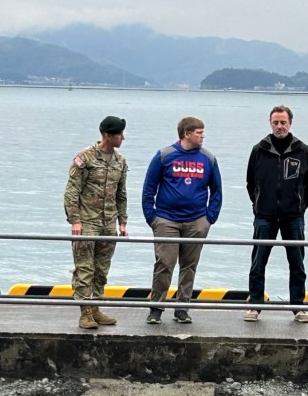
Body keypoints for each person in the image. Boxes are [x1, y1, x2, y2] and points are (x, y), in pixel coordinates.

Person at [142, 116, 222, 324]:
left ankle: (182, 308)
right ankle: (156, 308)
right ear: (186, 134)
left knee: (189, 266)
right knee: (164, 264)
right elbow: (149, 188)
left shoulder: (208, 159)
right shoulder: (164, 156)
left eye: (203, 132)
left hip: (197, 220)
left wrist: (209, 218)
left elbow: (217, 190)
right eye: (198, 132)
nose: (203, 136)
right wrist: (153, 217)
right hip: (166, 220)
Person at [244, 105, 308, 322]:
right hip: (264, 216)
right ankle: (254, 305)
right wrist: (259, 205)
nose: (280, 126)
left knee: (297, 263)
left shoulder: (303, 150)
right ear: (270, 123)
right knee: (258, 262)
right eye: (276, 122)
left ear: (290, 123)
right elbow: (251, 183)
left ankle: (298, 307)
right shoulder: (259, 150)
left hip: (293, 217)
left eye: (283, 122)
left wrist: (299, 206)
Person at [64, 116, 128, 330]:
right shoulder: (85, 158)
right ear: (107, 135)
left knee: (102, 269)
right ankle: (84, 313)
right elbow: (72, 190)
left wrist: (123, 222)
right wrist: (75, 220)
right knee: (85, 268)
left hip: (108, 223)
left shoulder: (120, 161)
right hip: (87, 222)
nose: (123, 138)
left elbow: (121, 194)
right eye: (119, 134)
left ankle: (96, 308)